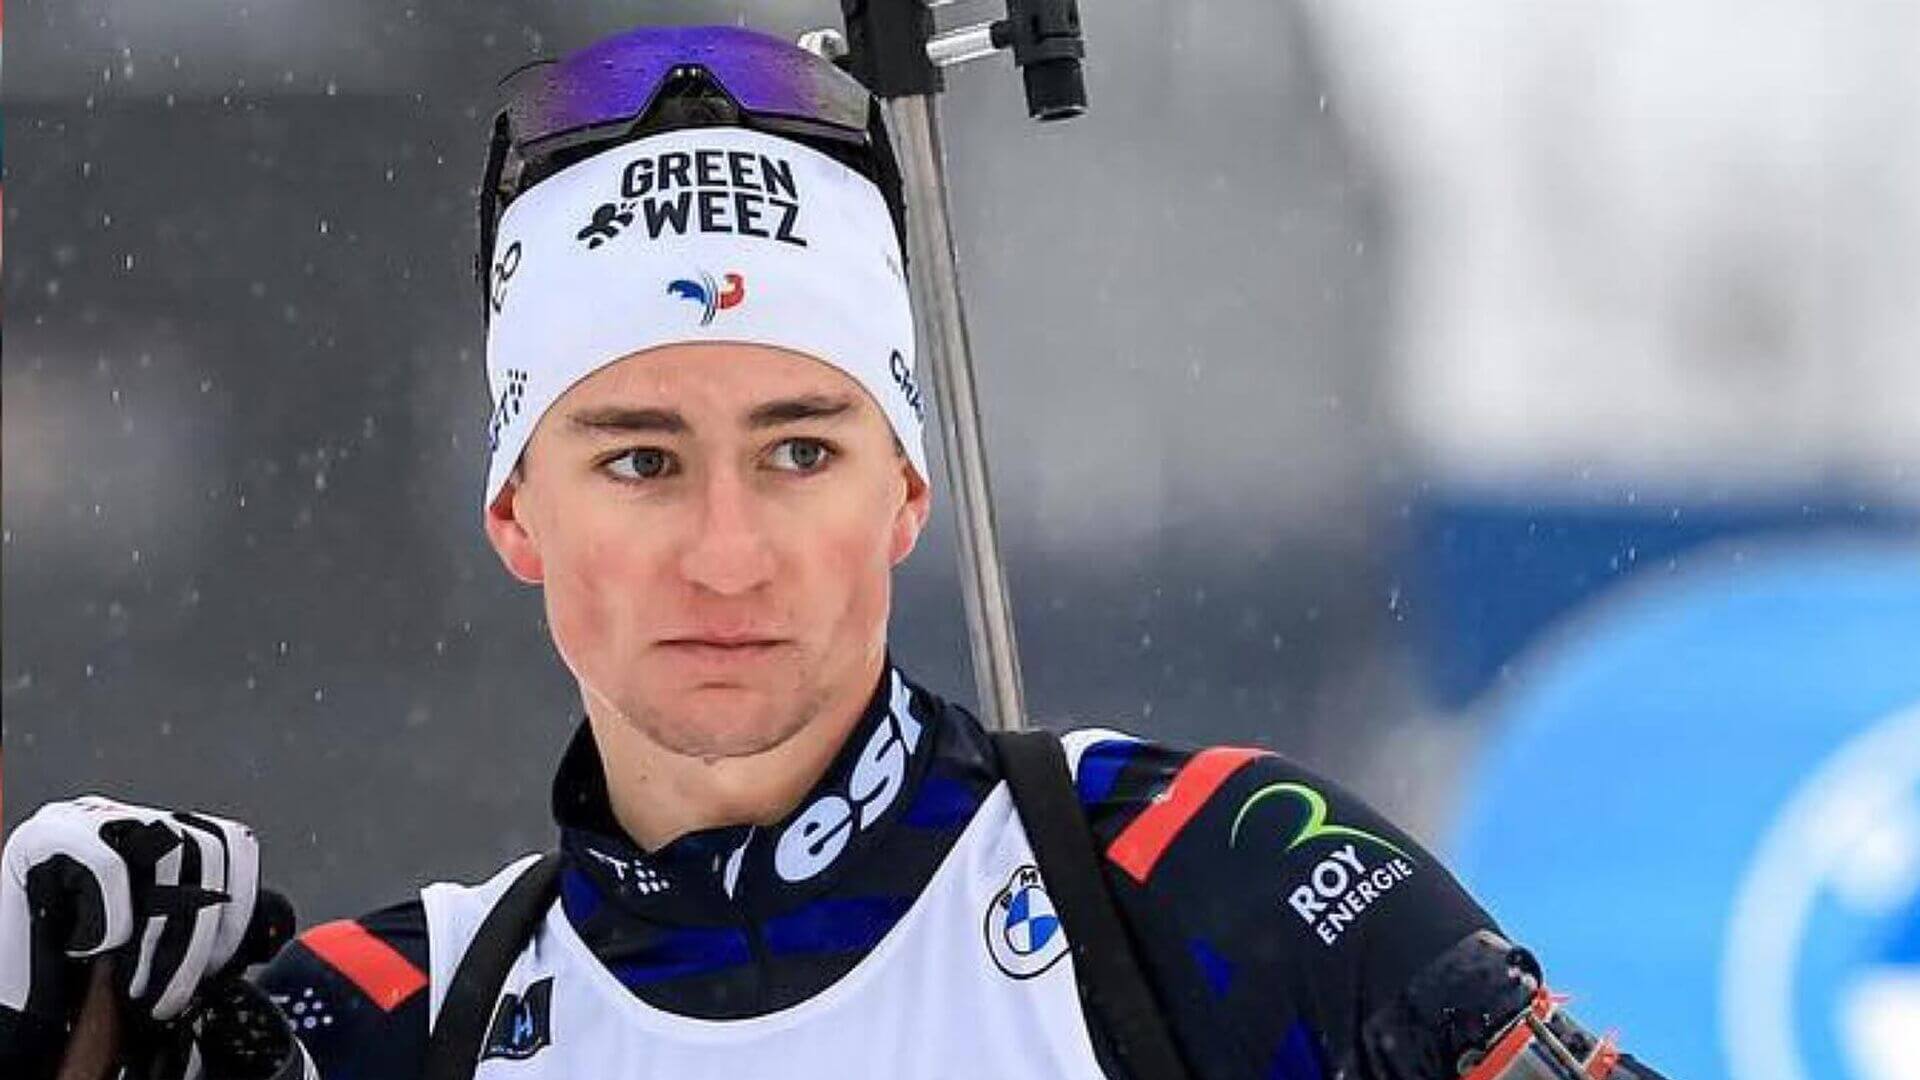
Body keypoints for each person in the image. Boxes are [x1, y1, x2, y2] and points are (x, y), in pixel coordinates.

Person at [1, 24, 1667, 1080]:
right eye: (640, 460)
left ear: (906, 491)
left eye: (800, 450)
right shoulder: (378, 1022)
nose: (729, 555)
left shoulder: (1217, 887)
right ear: (515, 511)